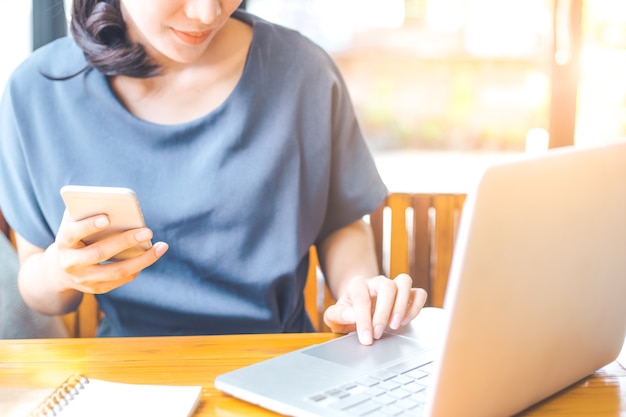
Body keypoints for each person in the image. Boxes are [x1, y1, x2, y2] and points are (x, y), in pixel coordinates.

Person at [0, 0, 427, 345]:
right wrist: (61, 271)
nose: (208, 14)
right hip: (128, 372)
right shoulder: (38, 91)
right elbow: (39, 285)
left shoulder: (303, 71)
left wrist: (360, 289)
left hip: (279, 360)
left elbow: (340, 223)